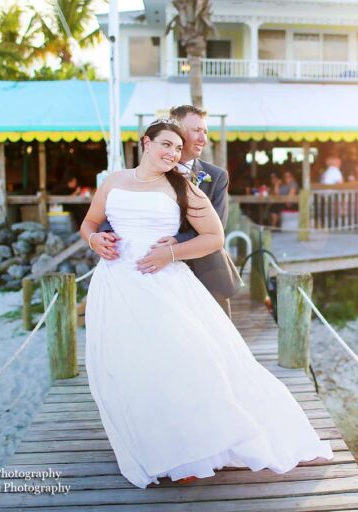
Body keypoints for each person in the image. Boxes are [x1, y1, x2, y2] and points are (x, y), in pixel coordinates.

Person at [79, 119, 333, 489]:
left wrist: (172, 253)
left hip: (162, 283)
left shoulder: (183, 187)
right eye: (166, 144)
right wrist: (94, 240)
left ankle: (194, 449)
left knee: (182, 361)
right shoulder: (114, 181)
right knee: (129, 364)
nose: (172, 153)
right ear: (145, 142)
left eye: (178, 149)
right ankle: (152, 444)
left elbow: (214, 237)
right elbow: (89, 222)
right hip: (116, 284)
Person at [127, 105, 241, 317]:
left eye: (205, 132)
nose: (202, 138)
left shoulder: (215, 176)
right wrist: (103, 233)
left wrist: (177, 241)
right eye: (196, 130)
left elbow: (218, 226)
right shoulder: (149, 171)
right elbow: (125, 206)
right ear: (177, 131)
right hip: (156, 274)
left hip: (206, 272)